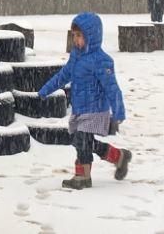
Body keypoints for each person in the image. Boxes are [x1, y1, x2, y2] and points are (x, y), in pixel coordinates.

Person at [39, 12, 131, 190]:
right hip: (80, 108)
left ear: (92, 36)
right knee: (83, 141)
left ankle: (83, 176)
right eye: (74, 35)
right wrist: (46, 89)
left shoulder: (101, 61)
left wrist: (118, 112)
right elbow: (63, 75)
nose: (76, 40)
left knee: (82, 141)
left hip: (95, 109)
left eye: (79, 36)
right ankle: (119, 156)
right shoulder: (76, 57)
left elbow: (112, 88)